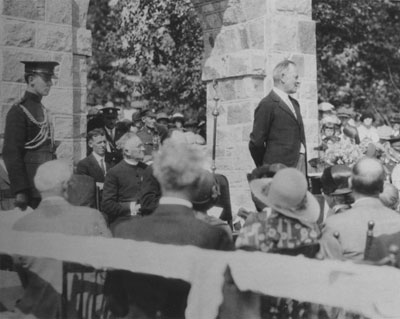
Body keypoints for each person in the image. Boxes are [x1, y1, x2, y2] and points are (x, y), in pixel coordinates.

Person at [104, 139, 233, 319]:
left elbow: (114, 301)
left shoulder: (126, 232)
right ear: (195, 182)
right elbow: (227, 304)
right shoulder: (213, 235)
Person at [12, 160, 111, 319]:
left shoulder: (21, 226)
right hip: (85, 311)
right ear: (66, 185)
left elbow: (25, 278)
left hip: (40, 311)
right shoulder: (91, 217)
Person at [3, 61, 59, 210]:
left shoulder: (43, 111)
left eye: (51, 79)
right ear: (31, 80)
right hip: (30, 190)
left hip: (47, 189)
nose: (50, 83)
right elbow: (11, 153)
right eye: (46, 79)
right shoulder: (18, 111)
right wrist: (21, 190)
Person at [319, 157, 400, 261]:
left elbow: (327, 271)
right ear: (382, 187)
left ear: (350, 184)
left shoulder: (334, 224)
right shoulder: (397, 220)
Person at [249, 60, 307, 173]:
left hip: (300, 165)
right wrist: (267, 166)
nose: (298, 82)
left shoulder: (295, 104)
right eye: (295, 77)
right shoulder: (267, 104)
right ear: (283, 77)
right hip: (279, 170)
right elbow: (256, 142)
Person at [102, 135, 147, 225]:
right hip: (124, 220)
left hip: (148, 219)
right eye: (139, 146)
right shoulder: (114, 172)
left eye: (142, 145)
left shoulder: (147, 169)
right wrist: (132, 207)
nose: (143, 149)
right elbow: (107, 205)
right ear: (127, 151)